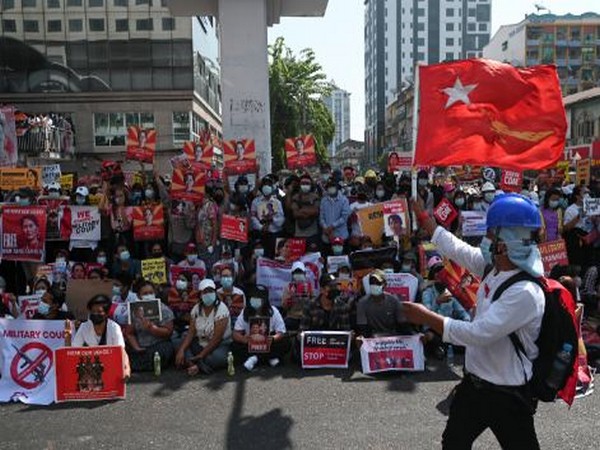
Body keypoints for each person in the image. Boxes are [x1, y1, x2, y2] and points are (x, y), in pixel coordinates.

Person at [404, 193, 546, 449]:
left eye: (490, 234)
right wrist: (424, 218)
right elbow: (458, 250)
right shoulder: (494, 267)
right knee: (454, 444)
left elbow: (479, 333)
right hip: (475, 386)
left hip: (508, 393)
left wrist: (425, 317)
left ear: (505, 244)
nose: (485, 239)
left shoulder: (525, 292)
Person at [176, 279, 231, 375]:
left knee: (218, 357)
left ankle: (194, 364)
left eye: (211, 291)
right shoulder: (196, 309)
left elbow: (217, 339)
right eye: (205, 292)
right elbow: (191, 333)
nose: (208, 294)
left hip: (219, 346)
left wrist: (201, 355)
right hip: (200, 343)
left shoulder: (222, 309)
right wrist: (181, 350)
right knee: (178, 342)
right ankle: (195, 364)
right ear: (200, 295)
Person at [72, 295, 131, 380]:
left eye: (99, 312)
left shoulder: (114, 328)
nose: (95, 314)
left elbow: (122, 352)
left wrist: (127, 370)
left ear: (106, 314)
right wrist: (68, 336)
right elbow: (74, 350)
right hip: (91, 369)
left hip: (111, 365)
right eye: (93, 311)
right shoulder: (84, 327)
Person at [233, 285, 288, 371]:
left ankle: (255, 359)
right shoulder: (245, 311)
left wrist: (273, 338)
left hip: (269, 343)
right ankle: (268, 358)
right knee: (234, 346)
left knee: (286, 343)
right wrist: (243, 339)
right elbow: (236, 333)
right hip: (251, 343)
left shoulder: (273, 311)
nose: (256, 301)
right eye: (253, 298)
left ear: (265, 300)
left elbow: (281, 332)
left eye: (259, 298)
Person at [125, 281, 175, 372]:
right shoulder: (134, 311)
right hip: (141, 345)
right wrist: (137, 347)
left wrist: (152, 328)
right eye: (145, 293)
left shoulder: (164, 309)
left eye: (151, 293)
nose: (148, 295)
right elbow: (129, 333)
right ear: (139, 296)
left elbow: (168, 332)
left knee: (163, 351)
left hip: (158, 344)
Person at [356, 270, 411, 338]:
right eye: (372, 283)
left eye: (378, 283)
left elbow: (403, 325)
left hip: (392, 338)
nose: (374, 285)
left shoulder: (394, 301)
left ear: (384, 285)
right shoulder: (362, 303)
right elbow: (363, 329)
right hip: (372, 340)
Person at [319, 179, 351, 252]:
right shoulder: (323, 200)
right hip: (326, 237)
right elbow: (321, 217)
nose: (331, 189)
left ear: (337, 188)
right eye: (329, 187)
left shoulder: (344, 200)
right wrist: (325, 228)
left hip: (341, 236)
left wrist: (332, 226)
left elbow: (344, 217)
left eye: (333, 186)